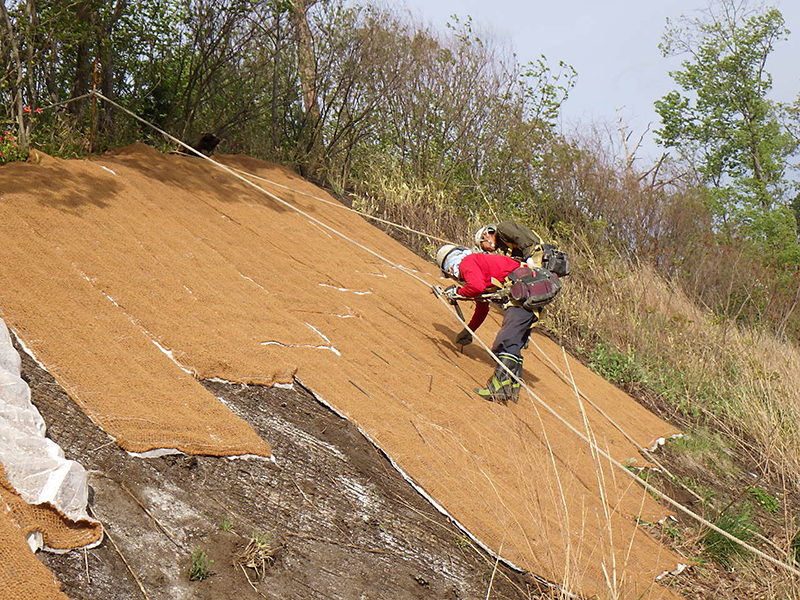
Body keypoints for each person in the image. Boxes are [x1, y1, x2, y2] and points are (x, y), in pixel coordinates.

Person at [435, 244, 541, 403]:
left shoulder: (467, 263)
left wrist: (457, 292)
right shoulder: (479, 267)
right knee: (515, 341)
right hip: (529, 290)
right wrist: (469, 330)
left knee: (506, 340)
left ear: (449, 267)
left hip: (524, 288)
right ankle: (511, 388)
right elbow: (482, 306)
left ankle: (498, 389)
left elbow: (476, 288)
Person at [474, 220, 543, 264]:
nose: (487, 250)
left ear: (485, 235)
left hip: (537, 253)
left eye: (483, 247)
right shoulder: (504, 245)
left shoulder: (502, 228)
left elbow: (521, 239)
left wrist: (529, 258)